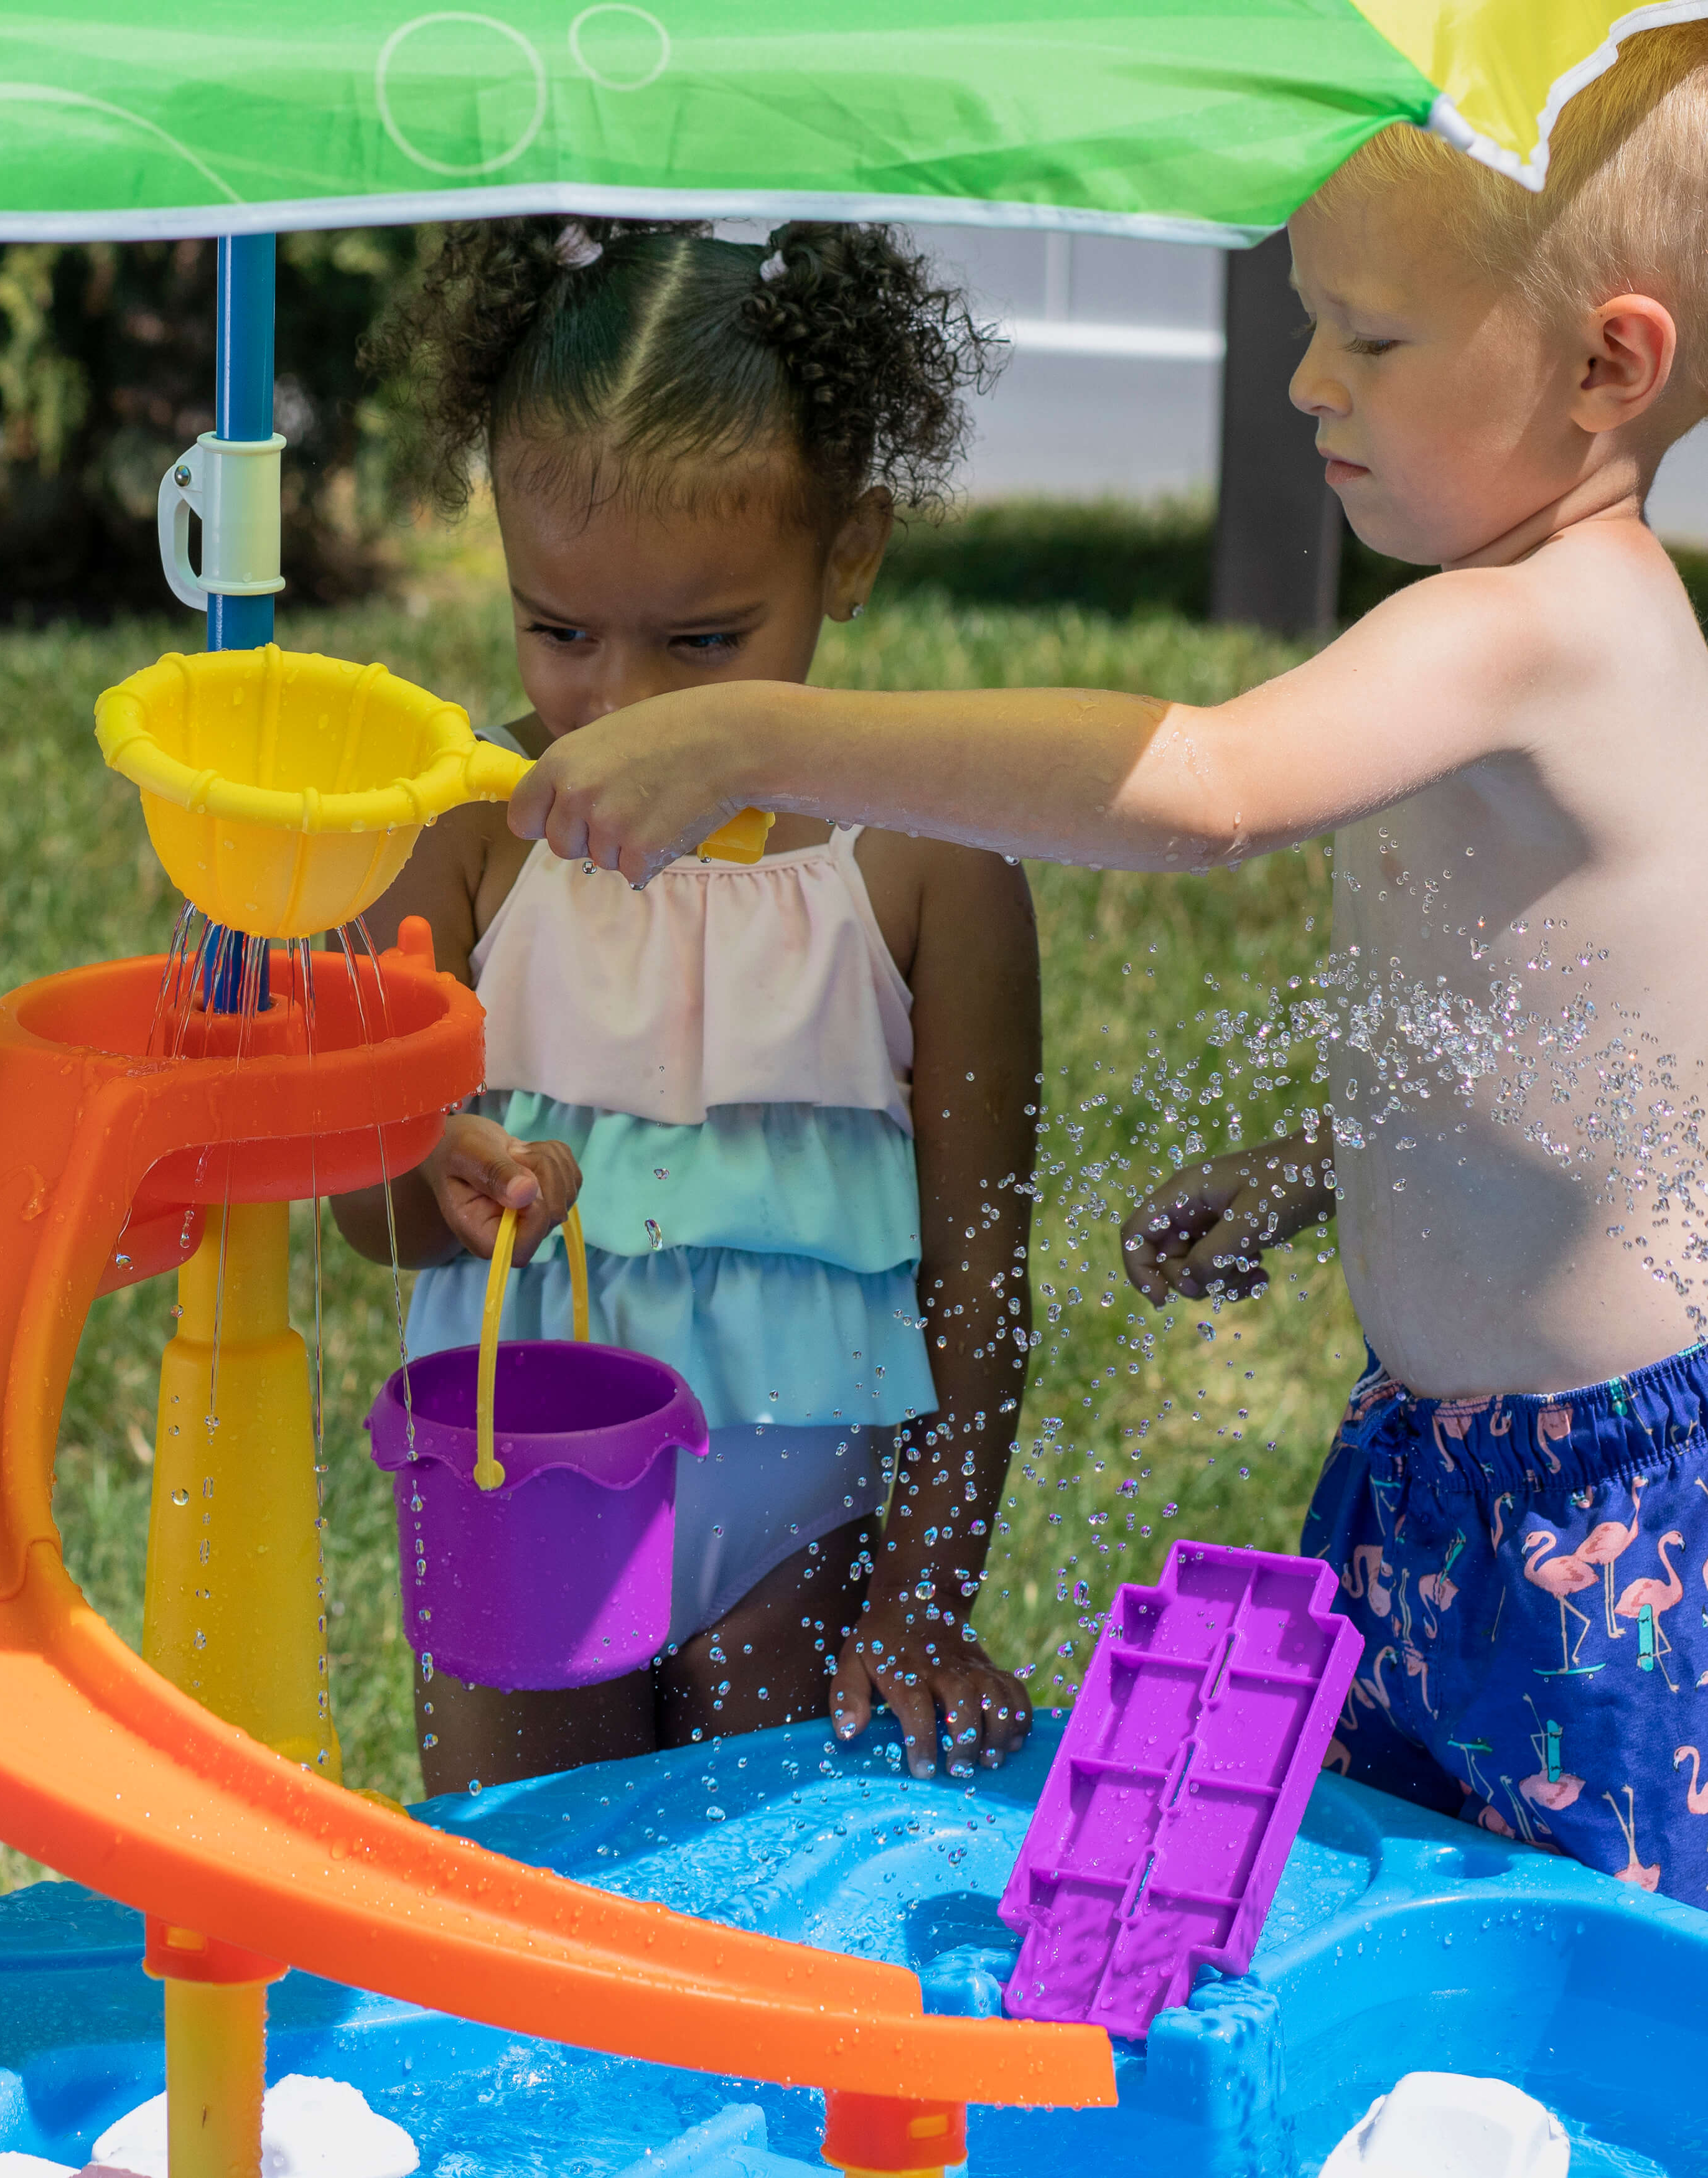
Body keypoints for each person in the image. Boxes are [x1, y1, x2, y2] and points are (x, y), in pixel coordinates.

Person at [501, 32, 1708, 1904]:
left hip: (1603, 1504)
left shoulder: (1542, 627)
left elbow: (1207, 786)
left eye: (1367, 340)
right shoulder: (1498, 627)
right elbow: (1566, 1021)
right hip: (1442, 1456)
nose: (1308, 375)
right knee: (1416, 1907)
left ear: (1602, 366)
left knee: (1601, 1967)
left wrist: (759, 740)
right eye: (1308, 320)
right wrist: (1326, 1166)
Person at [333, 218, 1038, 1795]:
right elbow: (373, 1224)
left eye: (703, 642)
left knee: (755, 1942)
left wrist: (922, 1599)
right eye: (559, 630)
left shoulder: (925, 864)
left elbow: (982, 1281)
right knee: (522, 1920)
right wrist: (409, 1155)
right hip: (514, 1502)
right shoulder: (461, 827)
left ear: (845, 553)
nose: (625, 705)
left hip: (807, 1535)